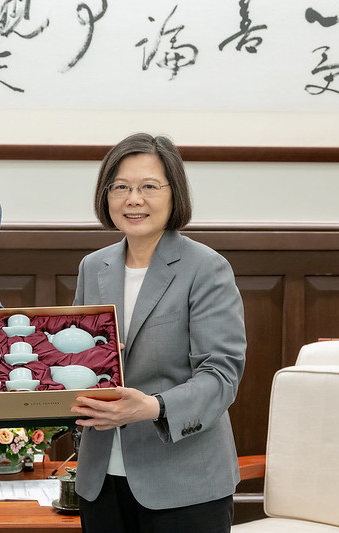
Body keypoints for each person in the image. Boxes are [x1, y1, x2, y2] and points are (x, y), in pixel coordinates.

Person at [69, 133, 246, 532]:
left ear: (174, 194)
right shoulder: (92, 267)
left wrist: (151, 407)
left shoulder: (206, 268)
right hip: (101, 480)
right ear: (106, 195)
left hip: (185, 484)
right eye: (121, 187)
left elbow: (222, 377)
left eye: (149, 186)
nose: (134, 199)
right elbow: (78, 364)